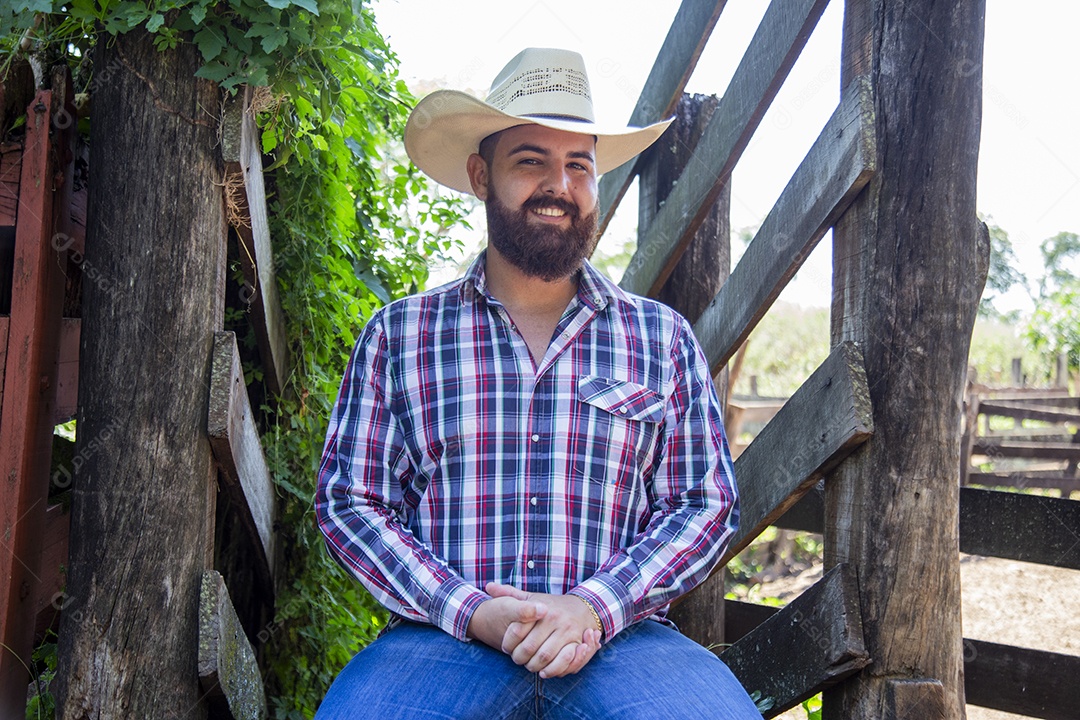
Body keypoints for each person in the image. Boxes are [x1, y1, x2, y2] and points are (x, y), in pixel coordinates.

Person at [314, 47, 760, 719]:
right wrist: (473, 611)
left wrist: (591, 607)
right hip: (440, 642)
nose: (560, 184)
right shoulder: (400, 335)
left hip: (625, 642)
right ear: (481, 175)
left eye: (579, 165)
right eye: (531, 161)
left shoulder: (660, 338)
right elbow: (350, 502)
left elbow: (704, 504)